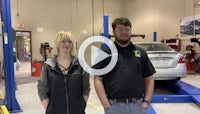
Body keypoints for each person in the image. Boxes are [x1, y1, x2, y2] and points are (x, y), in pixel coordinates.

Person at [94, 17, 155, 114]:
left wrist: (146, 101)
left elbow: (149, 78)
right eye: (120, 29)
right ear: (114, 32)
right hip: (114, 107)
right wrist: (105, 104)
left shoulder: (141, 52)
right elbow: (98, 79)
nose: (124, 32)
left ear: (131, 31)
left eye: (127, 29)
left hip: (138, 106)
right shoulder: (104, 54)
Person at [37, 31, 90, 114]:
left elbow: (86, 87)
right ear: (57, 44)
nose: (67, 44)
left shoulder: (80, 64)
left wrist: (82, 104)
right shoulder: (48, 65)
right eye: (63, 41)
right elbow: (41, 88)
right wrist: (49, 107)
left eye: (69, 42)